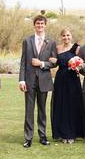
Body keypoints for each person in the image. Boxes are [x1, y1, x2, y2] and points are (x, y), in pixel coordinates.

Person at [19, 15, 58, 147]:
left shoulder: (51, 42)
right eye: (37, 24)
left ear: (45, 25)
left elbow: (54, 63)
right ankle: (28, 138)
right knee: (29, 110)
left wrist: (41, 63)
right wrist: (21, 80)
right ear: (34, 25)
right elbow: (23, 61)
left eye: (42, 23)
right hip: (29, 81)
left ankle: (43, 136)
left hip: (44, 80)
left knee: (42, 109)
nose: (40, 26)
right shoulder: (27, 41)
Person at [51, 29, 85, 143]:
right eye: (64, 36)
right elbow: (53, 62)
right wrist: (53, 61)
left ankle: (72, 133)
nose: (66, 37)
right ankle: (62, 133)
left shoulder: (77, 48)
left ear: (71, 36)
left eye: (68, 35)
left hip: (72, 79)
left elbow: (83, 63)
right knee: (61, 105)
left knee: (72, 105)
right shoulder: (57, 48)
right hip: (60, 79)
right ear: (61, 37)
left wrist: (78, 65)